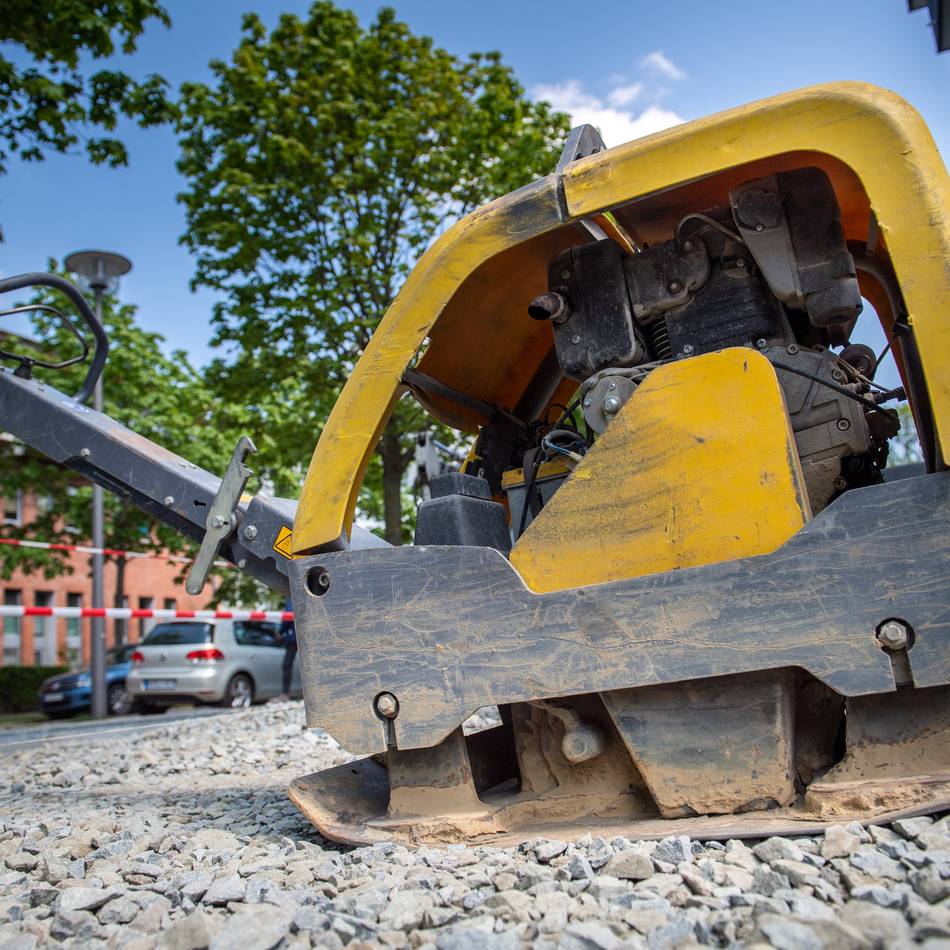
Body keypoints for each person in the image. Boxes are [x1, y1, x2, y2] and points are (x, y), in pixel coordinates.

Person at [277, 598, 296, 701]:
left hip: (294, 637)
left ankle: (285, 694)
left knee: (287, 665)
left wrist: (281, 631)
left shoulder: (290, 596)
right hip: (301, 635)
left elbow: (288, 616)